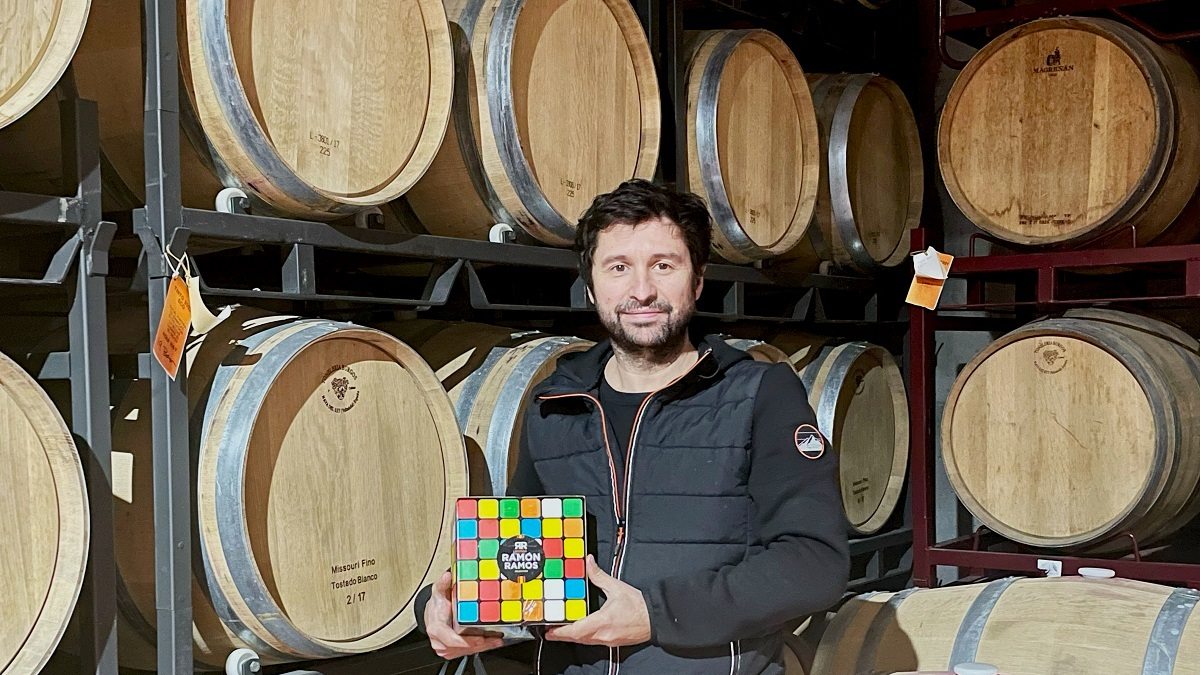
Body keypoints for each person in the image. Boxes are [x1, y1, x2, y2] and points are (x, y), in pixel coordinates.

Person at [417, 179, 849, 675]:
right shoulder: (557, 402)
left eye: (663, 265)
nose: (642, 290)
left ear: (698, 280)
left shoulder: (759, 394)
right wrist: (450, 605)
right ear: (592, 284)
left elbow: (814, 562)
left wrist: (655, 615)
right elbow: (518, 552)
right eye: (619, 268)